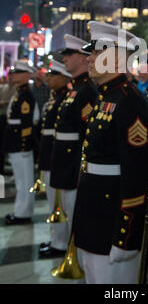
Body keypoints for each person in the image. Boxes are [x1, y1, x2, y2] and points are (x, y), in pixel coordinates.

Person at [73, 21, 148, 284]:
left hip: (111, 224)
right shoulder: (106, 97)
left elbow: (137, 175)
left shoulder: (129, 101)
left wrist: (126, 235)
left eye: (97, 53)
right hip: (93, 215)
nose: (90, 59)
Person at [48, 35, 98, 253]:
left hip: (73, 163)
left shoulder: (86, 90)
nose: (65, 59)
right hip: (64, 161)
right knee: (66, 209)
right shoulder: (75, 88)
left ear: (81, 57)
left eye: (69, 55)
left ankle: (72, 254)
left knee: (73, 212)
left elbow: (85, 134)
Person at [38, 60, 72, 258]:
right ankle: (56, 239)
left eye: (53, 76)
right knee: (53, 201)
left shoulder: (64, 99)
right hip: (51, 153)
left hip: (57, 155)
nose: (49, 79)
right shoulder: (56, 98)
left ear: (62, 78)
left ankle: (60, 242)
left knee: (59, 202)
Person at [3, 61, 38, 225]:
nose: (14, 75)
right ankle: (20, 211)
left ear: (26, 76)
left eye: (18, 73)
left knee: (24, 181)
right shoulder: (20, 93)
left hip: (20, 143)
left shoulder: (26, 95)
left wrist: (24, 145)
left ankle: (23, 214)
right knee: (20, 180)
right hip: (15, 141)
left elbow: (26, 124)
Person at [0, 70, 16, 174]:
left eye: (12, 75)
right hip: (1, 118)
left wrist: (5, 102)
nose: (10, 77)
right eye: (9, 75)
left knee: (7, 143)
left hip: (10, 119)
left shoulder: (17, 89)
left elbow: (12, 103)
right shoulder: (3, 88)